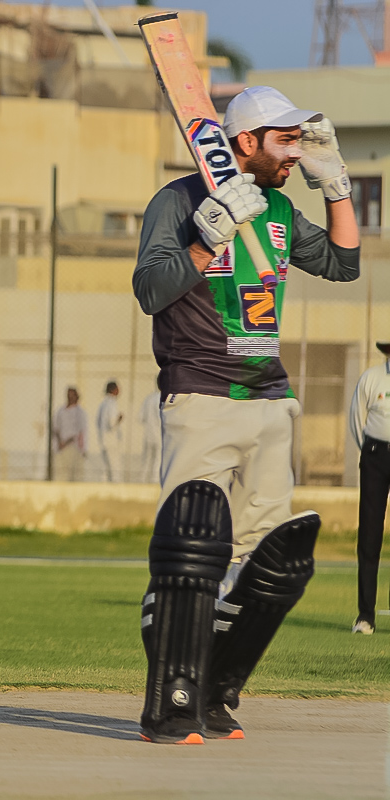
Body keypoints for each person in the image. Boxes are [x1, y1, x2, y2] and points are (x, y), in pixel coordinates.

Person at [132, 86, 360, 743]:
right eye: (284, 141)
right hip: (200, 396)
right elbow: (150, 290)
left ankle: (214, 687)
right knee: (188, 554)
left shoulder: (280, 207)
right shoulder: (177, 201)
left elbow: (343, 264)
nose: (293, 152)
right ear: (245, 142)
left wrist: (336, 185)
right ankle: (171, 698)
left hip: (269, 400)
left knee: (259, 564)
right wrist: (207, 239)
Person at [347, 340, 390, 635]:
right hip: (375, 458)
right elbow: (356, 419)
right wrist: (370, 451)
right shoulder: (371, 377)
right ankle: (365, 616)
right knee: (370, 536)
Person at [52, 386, 87, 481]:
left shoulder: (80, 412)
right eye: (69, 395)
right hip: (60, 448)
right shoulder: (60, 411)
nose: (70, 397)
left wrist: (66, 443)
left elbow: (79, 432)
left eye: (72, 395)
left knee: (75, 475)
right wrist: (60, 442)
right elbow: (55, 428)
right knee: (61, 474)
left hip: (74, 448)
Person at [96, 380, 124, 482]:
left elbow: (98, 422)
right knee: (115, 467)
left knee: (106, 467)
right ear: (113, 390)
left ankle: (105, 487)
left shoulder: (103, 403)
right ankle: (116, 487)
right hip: (111, 440)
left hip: (103, 439)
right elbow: (112, 423)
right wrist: (119, 419)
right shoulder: (112, 403)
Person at [138, 383, 162, 483]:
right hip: (159, 434)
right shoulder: (163, 398)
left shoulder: (148, 399)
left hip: (148, 434)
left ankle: (142, 480)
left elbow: (140, 417)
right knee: (158, 458)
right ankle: (155, 480)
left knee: (146, 459)